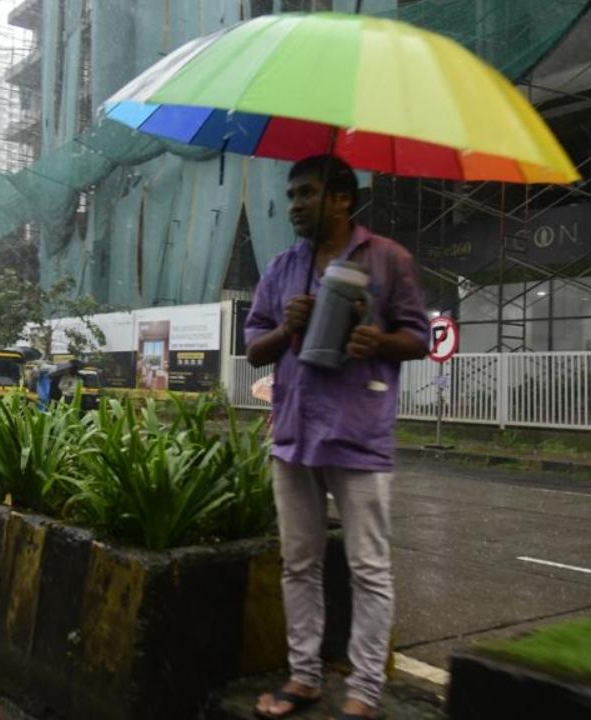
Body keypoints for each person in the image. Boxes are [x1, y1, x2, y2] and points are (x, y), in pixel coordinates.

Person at [246, 155, 430, 720]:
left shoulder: (388, 259)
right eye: (293, 193)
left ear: (344, 199)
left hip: (357, 431)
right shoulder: (281, 267)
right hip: (295, 433)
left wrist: (378, 341)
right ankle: (303, 677)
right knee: (298, 564)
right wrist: (287, 326)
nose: (296, 203)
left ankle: (364, 693)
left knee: (368, 567)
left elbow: (418, 337)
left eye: (308, 192)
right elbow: (255, 347)